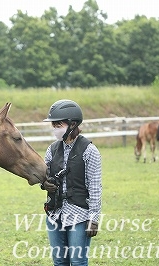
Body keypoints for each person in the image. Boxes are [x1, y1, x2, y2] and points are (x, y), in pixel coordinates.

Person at [40, 99, 102, 266]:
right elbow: (44, 176)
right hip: (55, 213)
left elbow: (95, 188)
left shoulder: (90, 151)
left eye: (58, 125)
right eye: (53, 126)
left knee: (78, 261)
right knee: (59, 261)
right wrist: (44, 184)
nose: (55, 130)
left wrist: (94, 219)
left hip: (80, 215)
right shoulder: (51, 150)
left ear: (73, 124)